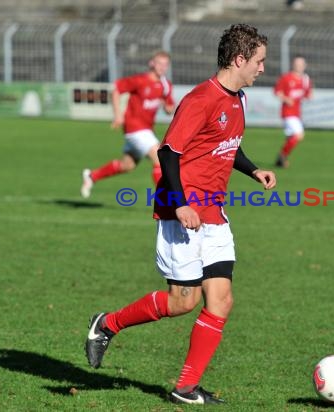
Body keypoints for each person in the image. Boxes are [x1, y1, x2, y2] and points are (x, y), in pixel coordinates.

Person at [84, 24, 276, 405]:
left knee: (221, 300)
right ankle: (108, 324)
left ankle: (185, 387)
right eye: (259, 61)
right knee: (182, 302)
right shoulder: (201, 99)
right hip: (182, 212)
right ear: (239, 60)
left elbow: (228, 144)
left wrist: (254, 170)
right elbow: (169, 153)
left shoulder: (237, 99)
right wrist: (181, 203)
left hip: (214, 215)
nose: (262, 69)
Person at [80, 51, 175, 198]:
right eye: (159, 63)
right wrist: (118, 115)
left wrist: (168, 109)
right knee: (160, 158)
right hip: (135, 128)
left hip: (147, 130)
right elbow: (117, 89)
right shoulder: (140, 80)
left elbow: (169, 107)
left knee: (127, 165)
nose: (162, 67)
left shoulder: (166, 85)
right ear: (151, 64)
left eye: (165, 64)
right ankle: (166, 202)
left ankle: (92, 176)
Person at [274, 54, 312, 168]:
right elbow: (277, 92)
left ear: (305, 66)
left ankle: (281, 159)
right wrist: (286, 99)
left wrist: (308, 95)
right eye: (297, 64)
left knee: (292, 138)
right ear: (293, 64)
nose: (299, 66)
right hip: (287, 112)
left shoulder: (305, 80)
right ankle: (282, 155)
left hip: (297, 113)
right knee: (299, 135)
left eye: (301, 64)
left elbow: (307, 94)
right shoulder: (286, 78)